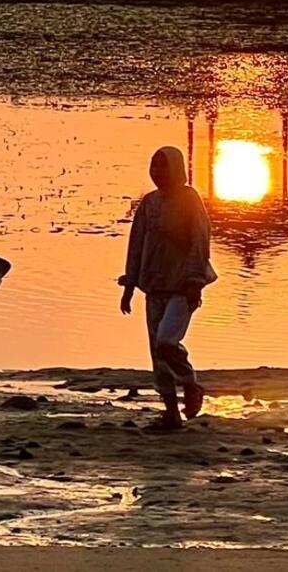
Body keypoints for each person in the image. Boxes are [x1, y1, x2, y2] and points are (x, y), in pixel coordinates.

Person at [118, 145, 216, 430]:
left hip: (183, 287)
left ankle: (190, 383)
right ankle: (171, 412)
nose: (158, 172)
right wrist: (129, 285)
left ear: (177, 169)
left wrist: (194, 282)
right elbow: (136, 245)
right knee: (157, 353)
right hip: (154, 286)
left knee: (166, 342)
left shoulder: (189, 199)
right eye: (154, 166)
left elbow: (200, 240)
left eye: (163, 166)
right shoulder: (149, 203)